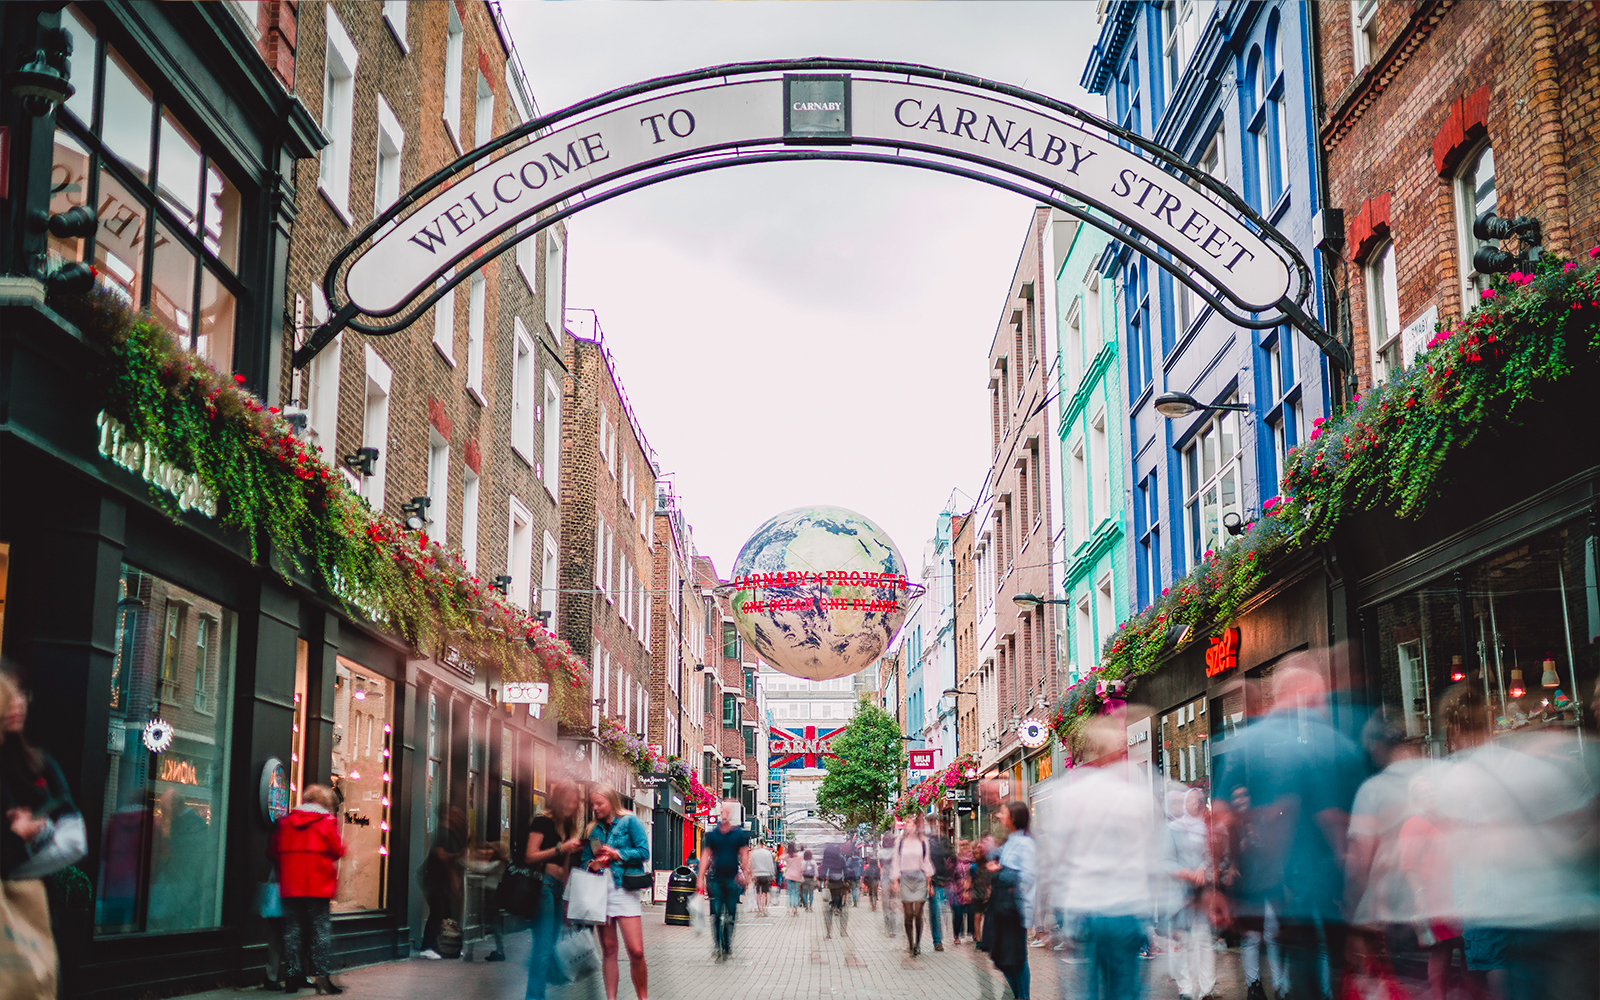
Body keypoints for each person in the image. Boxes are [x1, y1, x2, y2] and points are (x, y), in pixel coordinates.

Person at [1040, 715, 1161, 1000]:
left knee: (1085, 991)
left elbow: (1056, 860)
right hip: (1127, 909)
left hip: (1085, 910)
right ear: (1119, 752)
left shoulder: (1068, 795)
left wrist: (1051, 915)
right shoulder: (1136, 796)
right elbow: (1151, 857)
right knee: (1125, 990)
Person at [271, 784, 346, 995]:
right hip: (317, 886)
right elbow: (338, 850)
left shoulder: (285, 823)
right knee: (320, 932)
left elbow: (274, 850)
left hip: (291, 885)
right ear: (324, 803)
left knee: (292, 931)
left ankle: (292, 976)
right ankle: (322, 977)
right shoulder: (326, 822)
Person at [580, 784, 651, 1000]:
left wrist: (617, 853)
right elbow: (585, 859)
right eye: (592, 804)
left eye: (599, 803)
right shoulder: (593, 829)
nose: (595, 808)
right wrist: (593, 865)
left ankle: (642, 997)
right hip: (602, 891)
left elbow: (644, 852)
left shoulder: (630, 821)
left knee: (636, 951)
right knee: (609, 949)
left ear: (611, 802)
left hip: (625, 891)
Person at [523, 779, 582, 1000]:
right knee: (544, 948)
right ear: (557, 801)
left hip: (558, 890)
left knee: (548, 945)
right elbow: (530, 855)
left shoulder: (567, 826)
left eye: (574, 804)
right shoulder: (542, 822)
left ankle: (536, 993)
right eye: (567, 802)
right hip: (543, 887)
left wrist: (567, 899)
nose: (570, 807)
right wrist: (560, 847)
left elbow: (566, 866)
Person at [1164, 787, 1216, 1000]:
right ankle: (1186, 987)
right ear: (1185, 804)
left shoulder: (1205, 829)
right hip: (1180, 890)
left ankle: (1206, 987)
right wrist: (1185, 873)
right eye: (1192, 800)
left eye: (1199, 800)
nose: (1196, 803)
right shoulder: (1173, 828)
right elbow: (1167, 860)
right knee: (1183, 940)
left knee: (1204, 938)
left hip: (1201, 889)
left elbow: (1210, 855)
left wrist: (1202, 870)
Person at [984, 801, 1037, 1000]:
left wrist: (1002, 872)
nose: (999, 816)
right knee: (1003, 956)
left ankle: (1022, 997)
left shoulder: (1025, 843)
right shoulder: (1012, 841)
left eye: (1003, 812)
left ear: (1014, 816)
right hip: (1003, 907)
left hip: (1014, 908)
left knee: (1016, 958)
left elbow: (1028, 877)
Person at [697, 800, 749, 962]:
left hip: (732, 880)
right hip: (716, 879)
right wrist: (700, 878)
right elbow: (705, 856)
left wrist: (745, 873)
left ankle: (727, 945)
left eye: (727, 811)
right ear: (720, 813)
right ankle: (718, 945)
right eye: (722, 811)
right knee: (716, 913)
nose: (724, 814)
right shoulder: (713, 835)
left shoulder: (738, 835)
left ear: (731, 814)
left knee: (731, 914)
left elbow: (744, 854)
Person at [420, 806, 466, 959]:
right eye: (454, 813)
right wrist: (457, 856)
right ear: (446, 815)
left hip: (441, 878)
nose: (458, 816)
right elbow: (440, 854)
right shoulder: (442, 832)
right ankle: (427, 947)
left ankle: (446, 945)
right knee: (438, 911)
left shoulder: (452, 833)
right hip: (435, 878)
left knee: (445, 912)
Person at [890, 812, 935, 957]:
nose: (908, 825)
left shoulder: (923, 842)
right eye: (906, 823)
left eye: (911, 823)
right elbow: (896, 861)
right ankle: (910, 943)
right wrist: (895, 880)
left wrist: (929, 884)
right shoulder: (900, 842)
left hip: (920, 877)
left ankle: (918, 944)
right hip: (906, 878)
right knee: (908, 914)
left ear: (916, 826)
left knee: (918, 913)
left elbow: (926, 861)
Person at [466, 840, 509, 961]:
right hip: (487, 894)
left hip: (489, 895)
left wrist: (465, 859)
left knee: (481, 922)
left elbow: (483, 869)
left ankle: (472, 951)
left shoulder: (497, 863)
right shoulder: (497, 863)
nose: (486, 852)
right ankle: (498, 950)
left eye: (490, 849)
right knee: (486, 923)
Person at [928, 826, 954, 952]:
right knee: (935, 911)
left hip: (936, 881)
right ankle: (915, 940)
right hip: (927, 880)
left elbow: (951, 856)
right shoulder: (924, 841)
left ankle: (937, 940)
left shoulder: (942, 841)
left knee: (936, 911)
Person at [821, 839, 849, 940]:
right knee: (839, 897)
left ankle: (829, 932)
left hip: (831, 882)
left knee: (833, 897)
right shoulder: (841, 858)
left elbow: (824, 869)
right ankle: (842, 930)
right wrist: (846, 879)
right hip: (840, 881)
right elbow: (845, 869)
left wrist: (824, 879)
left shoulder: (828, 859)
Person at [970, 834, 994, 948]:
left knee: (986, 916)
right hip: (977, 892)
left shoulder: (988, 862)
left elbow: (990, 878)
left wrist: (989, 891)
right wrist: (967, 891)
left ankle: (984, 938)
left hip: (985, 891)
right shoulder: (975, 866)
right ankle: (978, 938)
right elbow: (970, 879)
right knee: (978, 916)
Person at [949, 840, 973, 945]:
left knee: (971, 912)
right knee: (958, 913)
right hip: (957, 890)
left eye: (965, 845)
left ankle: (973, 933)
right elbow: (950, 874)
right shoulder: (954, 859)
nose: (963, 848)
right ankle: (957, 935)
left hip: (970, 889)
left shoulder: (972, 859)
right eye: (961, 845)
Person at [749, 840, 776, 917]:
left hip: (757, 875)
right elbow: (771, 864)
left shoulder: (754, 853)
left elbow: (752, 864)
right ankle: (765, 909)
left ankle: (759, 909)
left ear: (758, 845)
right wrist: (773, 875)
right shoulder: (768, 853)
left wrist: (752, 874)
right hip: (766, 874)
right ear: (763, 845)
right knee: (766, 893)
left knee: (758, 893)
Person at [782, 844, 803, 916]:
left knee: (790, 893)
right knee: (796, 893)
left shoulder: (787, 856)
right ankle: (796, 910)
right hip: (797, 877)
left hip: (789, 876)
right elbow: (802, 867)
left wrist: (785, 852)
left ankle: (790, 910)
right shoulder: (799, 857)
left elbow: (780, 857)